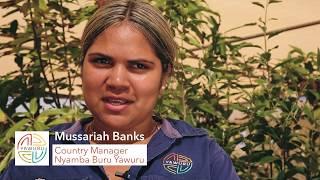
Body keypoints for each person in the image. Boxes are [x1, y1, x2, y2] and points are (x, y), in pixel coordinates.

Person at [0, 0, 239, 179]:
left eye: (138, 66)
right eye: (102, 61)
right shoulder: (38, 150)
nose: (116, 81)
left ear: (165, 74)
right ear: (82, 65)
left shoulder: (203, 156)